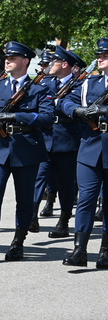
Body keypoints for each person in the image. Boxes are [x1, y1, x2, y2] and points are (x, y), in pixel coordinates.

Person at [0, 41, 54, 262]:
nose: (7, 60)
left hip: (26, 149)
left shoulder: (39, 89)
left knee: (24, 199)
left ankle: (18, 243)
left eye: (13, 58)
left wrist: (17, 116)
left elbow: (47, 118)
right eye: (7, 58)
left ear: (25, 61)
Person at [59, 39, 108, 267]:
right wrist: (77, 110)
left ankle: (105, 251)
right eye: (99, 54)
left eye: (105, 55)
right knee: (87, 199)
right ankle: (79, 250)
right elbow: (65, 100)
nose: (100, 58)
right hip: (90, 146)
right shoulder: (91, 82)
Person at [38, 47, 85, 239]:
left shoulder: (79, 85)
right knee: (37, 179)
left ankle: (64, 221)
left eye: (54, 61)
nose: (49, 65)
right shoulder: (46, 83)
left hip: (67, 139)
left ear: (64, 65)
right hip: (45, 139)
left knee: (66, 184)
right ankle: (30, 217)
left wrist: (57, 107)